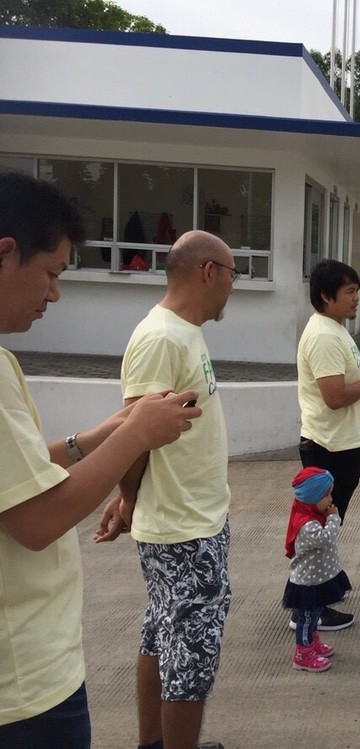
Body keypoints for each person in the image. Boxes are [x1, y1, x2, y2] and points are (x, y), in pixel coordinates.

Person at [0, 173, 199, 748]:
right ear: (5, 254)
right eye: (52, 273)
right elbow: (36, 518)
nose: (54, 294)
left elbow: (17, 472)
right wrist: (133, 436)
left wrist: (94, 437)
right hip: (24, 687)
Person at [93, 230, 238, 749]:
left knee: (162, 635)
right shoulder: (162, 339)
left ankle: (154, 744)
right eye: (232, 274)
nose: (233, 286)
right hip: (182, 527)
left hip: (192, 516)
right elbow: (132, 435)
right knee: (190, 657)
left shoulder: (184, 332)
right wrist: (130, 499)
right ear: (208, 272)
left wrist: (132, 498)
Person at [297, 259, 360, 631]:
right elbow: (333, 397)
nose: (356, 298)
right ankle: (308, 609)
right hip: (328, 447)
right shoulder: (323, 336)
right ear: (326, 296)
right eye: (349, 291)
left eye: (356, 291)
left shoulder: (335, 330)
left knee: (329, 525)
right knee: (319, 530)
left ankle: (320, 593)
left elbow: (344, 382)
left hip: (342, 444)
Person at [283, 467, 351, 673]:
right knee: (306, 619)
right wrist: (334, 519)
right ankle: (303, 654)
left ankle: (312, 644)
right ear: (312, 497)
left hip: (317, 579)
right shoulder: (307, 524)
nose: (331, 499)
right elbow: (325, 538)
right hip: (307, 584)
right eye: (326, 495)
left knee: (314, 615)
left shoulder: (312, 515)